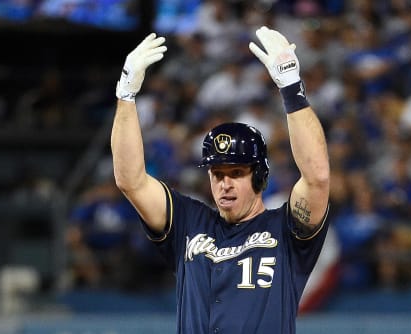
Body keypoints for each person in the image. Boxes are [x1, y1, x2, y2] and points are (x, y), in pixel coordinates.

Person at [111, 26, 330, 334]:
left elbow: (318, 178)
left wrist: (291, 88)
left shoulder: (286, 229)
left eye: (237, 173)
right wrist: (126, 95)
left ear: (260, 176)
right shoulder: (189, 222)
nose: (225, 183)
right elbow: (129, 180)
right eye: (217, 174)